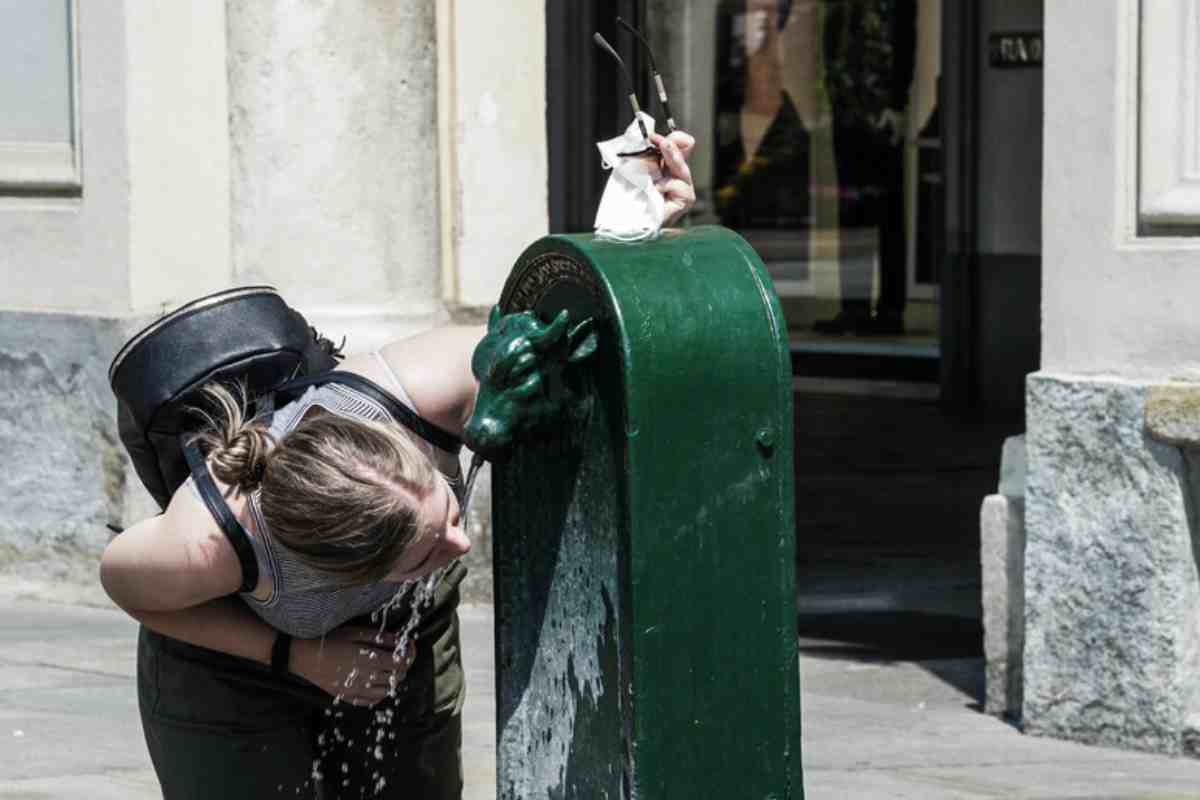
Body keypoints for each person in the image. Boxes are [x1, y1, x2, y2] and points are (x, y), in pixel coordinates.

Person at [99, 129, 696, 800]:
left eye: (444, 514)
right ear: (343, 566)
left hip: (398, 636)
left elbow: (565, 324)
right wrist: (293, 654)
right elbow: (127, 589)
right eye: (426, 549)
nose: (461, 541)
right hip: (234, 659)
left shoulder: (431, 387)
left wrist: (642, 225)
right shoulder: (207, 543)